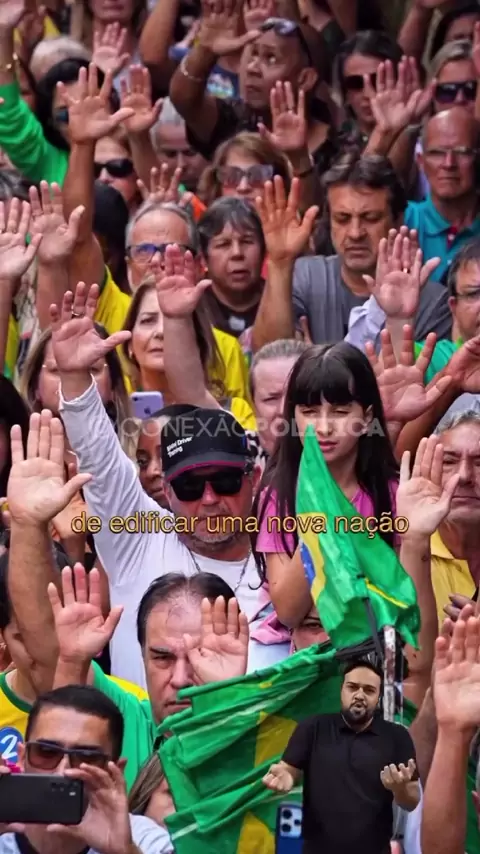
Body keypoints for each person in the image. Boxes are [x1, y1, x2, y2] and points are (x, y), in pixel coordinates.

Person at [252, 162, 451, 351]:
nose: (355, 233)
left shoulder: (433, 302)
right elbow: (266, 355)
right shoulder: (304, 276)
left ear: (398, 220)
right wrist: (280, 263)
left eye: (370, 218)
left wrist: (315, 366)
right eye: (342, 219)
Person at [263, 659, 420, 854]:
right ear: (341, 690)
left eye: (369, 690)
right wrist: (285, 778)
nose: (359, 695)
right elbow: (288, 770)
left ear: (378, 697)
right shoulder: (313, 728)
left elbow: (412, 801)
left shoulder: (397, 736)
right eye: (352, 687)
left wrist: (400, 789)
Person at [0, 684, 172, 852]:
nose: (63, 771)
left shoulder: (142, 840)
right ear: (21, 758)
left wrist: (125, 850)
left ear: (115, 772)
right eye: (46, 752)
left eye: (87, 758)